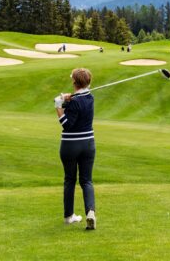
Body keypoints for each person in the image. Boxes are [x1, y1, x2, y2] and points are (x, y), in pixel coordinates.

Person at [54, 68, 96, 230]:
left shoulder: (75, 101)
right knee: (86, 180)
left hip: (70, 145)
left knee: (70, 180)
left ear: (74, 82)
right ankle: (90, 212)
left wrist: (58, 105)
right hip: (88, 144)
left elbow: (66, 124)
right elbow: (77, 104)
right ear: (88, 83)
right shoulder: (90, 98)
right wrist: (66, 100)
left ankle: (69, 216)